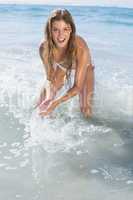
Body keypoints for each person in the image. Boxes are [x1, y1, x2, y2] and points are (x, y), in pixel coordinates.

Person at [36, 8, 94, 118]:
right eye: (56, 30)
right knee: (41, 102)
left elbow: (77, 86)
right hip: (64, 65)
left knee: (86, 110)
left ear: (71, 29)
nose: (61, 35)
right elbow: (50, 78)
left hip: (85, 67)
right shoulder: (44, 48)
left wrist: (56, 103)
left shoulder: (80, 48)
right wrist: (49, 98)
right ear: (50, 30)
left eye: (65, 29)